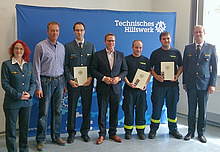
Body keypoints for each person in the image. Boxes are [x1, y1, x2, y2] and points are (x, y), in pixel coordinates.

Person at [33, 21, 67, 151]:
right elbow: (36, 67)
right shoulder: (40, 46)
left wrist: (63, 83)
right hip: (46, 82)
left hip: (59, 82)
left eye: (57, 31)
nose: (55, 33)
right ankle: (41, 140)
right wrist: (38, 86)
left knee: (57, 111)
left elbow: (62, 67)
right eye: (52, 30)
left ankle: (56, 136)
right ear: (48, 32)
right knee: (43, 113)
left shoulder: (62, 47)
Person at [90, 33, 128, 145]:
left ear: (115, 42)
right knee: (102, 112)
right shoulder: (98, 55)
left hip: (116, 89)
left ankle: (113, 133)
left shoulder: (120, 55)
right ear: (105, 42)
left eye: (113, 41)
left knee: (114, 112)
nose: (111, 43)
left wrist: (118, 78)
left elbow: (125, 70)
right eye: (109, 41)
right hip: (103, 88)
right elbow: (92, 70)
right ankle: (101, 134)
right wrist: (103, 78)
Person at [182, 25, 217, 143]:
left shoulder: (211, 48)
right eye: (196, 32)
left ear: (204, 33)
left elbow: (214, 68)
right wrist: (184, 82)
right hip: (191, 84)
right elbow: (185, 66)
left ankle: (201, 133)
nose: (198, 34)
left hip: (204, 84)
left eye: (200, 32)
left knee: (202, 110)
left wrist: (213, 84)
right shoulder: (188, 48)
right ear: (193, 34)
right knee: (191, 110)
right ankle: (190, 132)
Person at [1, 40, 36, 152]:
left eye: (21, 48)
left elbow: (33, 82)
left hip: (26, 102)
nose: (19, 50)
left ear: (24, 51)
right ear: (12, 50)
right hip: (12, 102)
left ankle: (24, 148)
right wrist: (18, 95)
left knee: (24, 127)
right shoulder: (6, 65)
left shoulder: (29, 65)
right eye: (16, 48)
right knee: (11, 129)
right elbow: (5, 84)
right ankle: (12, 150)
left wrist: (29, 93)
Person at [64, 22, 96, 143]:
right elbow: (66, 66)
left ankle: (85, 132)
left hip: (87, 84)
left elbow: (94, 65)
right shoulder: (68, 46)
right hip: (73, 84)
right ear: (74, 31)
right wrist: (70, 80)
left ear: (84, 31)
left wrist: (91, 78)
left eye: (81, 30)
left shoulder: (91, 46)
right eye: (77, 30)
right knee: (72, 108)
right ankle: (71, 133)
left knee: (86, 108)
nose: (79, 32)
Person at [148, 31, 183, 139]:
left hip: (172, 86)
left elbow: (181, 66)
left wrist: (177, 75)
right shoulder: (155, 53)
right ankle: (153, 129)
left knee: (172, 108)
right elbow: (150, 67)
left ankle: (173, 129)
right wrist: (156, 76)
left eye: (168, 38)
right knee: (157, 108)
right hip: (159, 86)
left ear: (170, 39)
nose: (166, 40)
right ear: (160, 40)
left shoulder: (176, 52)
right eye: (164, 39)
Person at [122, 40, 151, 140]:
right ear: (132, 47)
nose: (138, 49)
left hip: (141, 91)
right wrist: (128, 83)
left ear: (142, 48)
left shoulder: (146, 60)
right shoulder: (126, 59)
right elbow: (123, 73)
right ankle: (128, 131)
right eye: (136, 47)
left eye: (140, 48)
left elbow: (149, 73)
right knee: (128, 110)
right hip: (129, 90)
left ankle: (141, 131)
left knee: (141, 110)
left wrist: (145, 84)